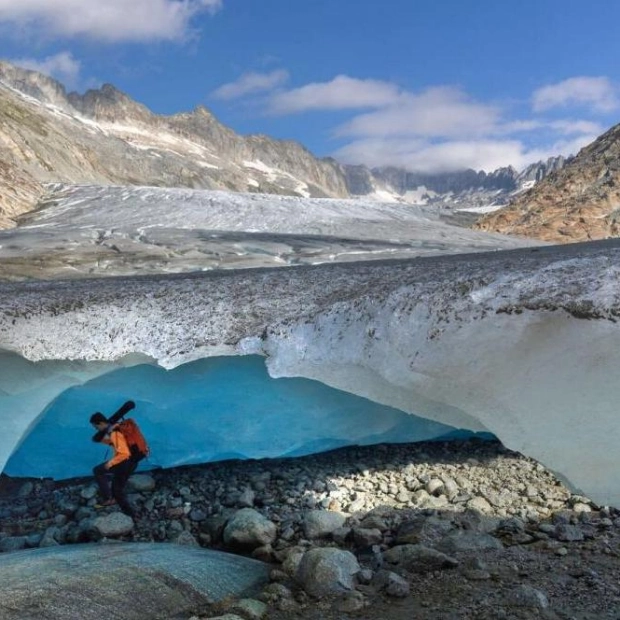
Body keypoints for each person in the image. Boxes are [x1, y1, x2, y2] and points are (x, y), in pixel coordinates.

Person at [90, 412, 136, 517]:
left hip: (124, 463)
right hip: (132, 461)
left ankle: (130, 515)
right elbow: (118, 443)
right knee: (118, 486)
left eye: (95, 426)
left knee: (115, 490)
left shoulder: (114, 432)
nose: (95, 429)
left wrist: (110, 464)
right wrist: (102, 440)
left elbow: (124, 453)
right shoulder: (117, 428)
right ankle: (114, 499)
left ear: (101, 423)